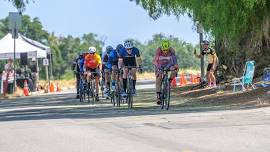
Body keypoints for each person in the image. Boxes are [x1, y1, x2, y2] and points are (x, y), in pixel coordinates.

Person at [153, 40, 178, 105]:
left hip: (169, 65)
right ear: (161, 48)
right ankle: (158, 96)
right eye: (164, 50)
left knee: (175, 70)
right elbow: (155, 61)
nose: (165, 52)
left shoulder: (172, 51)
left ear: (169, 48)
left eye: (166, 50)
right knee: (158, 78)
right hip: (160, 65)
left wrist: (175, 68)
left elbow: (175, 61)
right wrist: (157, 70)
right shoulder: (158, 50)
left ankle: (169, 81)